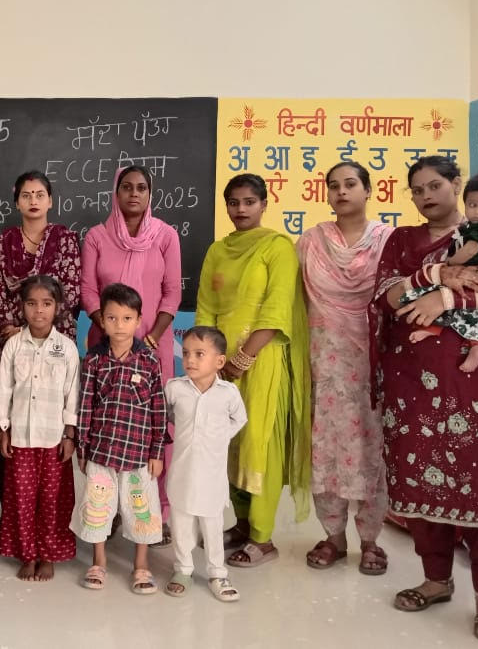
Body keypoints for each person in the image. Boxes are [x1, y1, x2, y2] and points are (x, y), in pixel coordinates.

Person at [370, 156, 478, 643]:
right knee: (420, 483)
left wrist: (448, 299)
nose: (426, 196)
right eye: (417, 190)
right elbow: (385, 297)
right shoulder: (402, 240)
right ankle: (436, 580)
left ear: (456, 186)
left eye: (435, 186)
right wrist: (434, 276)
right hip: (413, 388)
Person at [196, 173, 311, 568]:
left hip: (262, 363)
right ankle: (242, 523)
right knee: (228, 444)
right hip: (219, 364)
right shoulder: (217, 250)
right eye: (234, 202)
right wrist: (208, 359)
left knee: (259, 445)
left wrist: (242, 359)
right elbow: (206, 307)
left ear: (264, 204)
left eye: (249, 202)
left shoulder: (277, 248)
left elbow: (276, 311)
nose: (241, 209)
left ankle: (262, 537)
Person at [297, 162, 393, 575]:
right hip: (324, 360)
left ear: (368, 190)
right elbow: (296, 299)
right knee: (326, 446)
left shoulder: (388, 241)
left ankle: (371, 539)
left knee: (372, 448)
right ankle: (333, 537)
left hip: (373, 361)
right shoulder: (312, 241)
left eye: (350, 183)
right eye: (333, 185)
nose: (341, 191)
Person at [81, 165, 181, 542]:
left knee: (156, 423)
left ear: (150, 194)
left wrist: (152, 336)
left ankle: (157, 511)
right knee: (107, 423)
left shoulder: (166, 236)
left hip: (154, 344)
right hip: (106, 347)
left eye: (141, 188)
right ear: (116, 192)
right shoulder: (97, 236)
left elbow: (172, 292)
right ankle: (107, 510)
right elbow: (88, 290)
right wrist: (110, 329)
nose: (134, 194)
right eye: (126, 187)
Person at [72, 283, 166, 595]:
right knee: (97, 507)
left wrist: (157, 452)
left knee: (141, 509)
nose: (119, 325)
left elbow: (158, 408)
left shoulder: (149, 361)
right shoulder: (94, 360)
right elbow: (86, 405)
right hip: (101, 451)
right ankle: (98, 561)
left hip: (139, 454)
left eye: (127, 318)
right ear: (102, 320)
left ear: (138, 321)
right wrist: (83, 448)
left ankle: (141, 565)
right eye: (112, 318)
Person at [0, 275, 80, 582]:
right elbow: (4, 390)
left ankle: (48, 555)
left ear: (58, 307)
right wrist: (3, 429)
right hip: (21, 438)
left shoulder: (66, 348)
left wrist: (70, 434)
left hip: (54, 438)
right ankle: (27, 555)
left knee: (53, 500)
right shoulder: (13, 346)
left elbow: (72, 394)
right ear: (22, 307)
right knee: (21, 500)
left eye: (46, 303)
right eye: (31, 303)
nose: (38, 310)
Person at [406, 171, 478, 373]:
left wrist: (449, 264)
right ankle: (434, 328)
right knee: (443, 298)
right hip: (470, 273)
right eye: (472, 205)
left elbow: (471, 250)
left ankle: (476, 348)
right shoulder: (469, 227)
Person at [163, 326, 246, 602]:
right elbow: (167, 415)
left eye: (199, 354)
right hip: (182, 473)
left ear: (219, 361)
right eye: (186, 353)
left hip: (212, 476)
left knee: (212, 526)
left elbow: (240, 419)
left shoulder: (228, 393)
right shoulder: (175, 388)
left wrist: (220, 436)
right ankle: (183, 569)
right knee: (181, 523)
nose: (190, 360)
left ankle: (217, 573)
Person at [0, 171, 81, 360]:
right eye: (26, 196)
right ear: (17, 203)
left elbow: (70, 292)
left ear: (50, 201)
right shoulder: (5, 240)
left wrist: (36, 328)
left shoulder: (65, 239)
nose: (33, 201)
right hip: (10, 335)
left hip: (55, 333)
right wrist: (11, 328)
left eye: (39, 195)